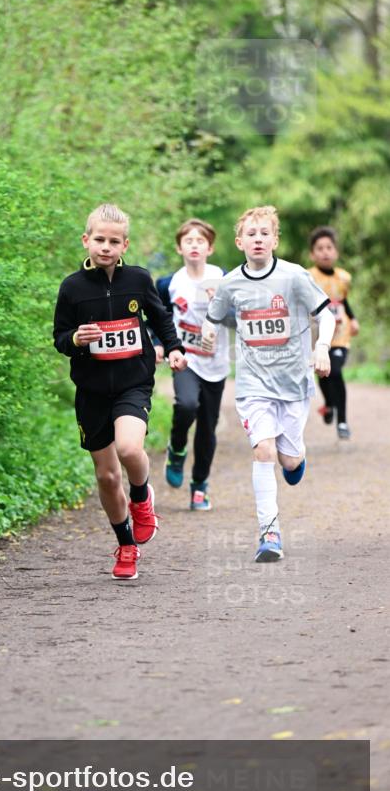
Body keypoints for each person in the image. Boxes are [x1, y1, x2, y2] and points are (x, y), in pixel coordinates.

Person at [53, 203, 187, 581]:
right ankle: (126, 544)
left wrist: (174, 348)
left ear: (124, 245)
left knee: (129, 449)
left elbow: (160, 317)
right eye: (99, 240)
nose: (106, 247)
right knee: (108, 477)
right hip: (92, 390)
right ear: (86, 240)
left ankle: (142, 497)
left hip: (132, 381)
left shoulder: (139, 281)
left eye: (114, 241)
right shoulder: (72, 288)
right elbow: (60, 337)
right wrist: (77, 338)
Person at [201, 205, 335, 563]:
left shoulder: (294, 277)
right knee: (264, 451)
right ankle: (269, 531)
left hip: (293, 383)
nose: (258, 239)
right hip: (253, 384)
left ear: (275, 240)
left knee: (289, 461)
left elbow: (327, 313)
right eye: (251, 233)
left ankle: (295, 460)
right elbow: (213, 319)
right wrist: (208, 334)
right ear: (239, 241)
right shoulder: (230, 283)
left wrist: (321, 346)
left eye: (264, 233)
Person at [154, 218, 231, 511]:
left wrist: (221, 303)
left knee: (207, 427)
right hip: (185, 357)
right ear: (179, 248)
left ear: (210, 248)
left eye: (200, 241)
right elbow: (157, 318)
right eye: (189, 241)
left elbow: (239, 318)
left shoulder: (222, 278)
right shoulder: (169, 283)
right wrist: (160, 343)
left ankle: (200, 485)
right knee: (186, 405)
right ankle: (176, 448)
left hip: (216, 361)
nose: (194, 245)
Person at [308, 226, 360, 439]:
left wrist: (353, 319)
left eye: (329, 247)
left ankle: (343, 421)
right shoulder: (308, 277)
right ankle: (329, 404)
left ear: (336, 252)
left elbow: (343, 300)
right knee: (323, 373)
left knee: (336, 372)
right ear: (312, 254)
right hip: (318, 336)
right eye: (320, 248)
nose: (325, 252)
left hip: (340, 335)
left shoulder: (344, 278)